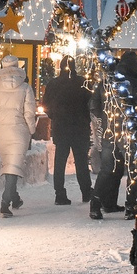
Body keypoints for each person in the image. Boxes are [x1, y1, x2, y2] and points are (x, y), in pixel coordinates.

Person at [89, 51, 137, 219]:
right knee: (133, 170)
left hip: (109, 131)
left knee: (106, 169)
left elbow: (92, 105)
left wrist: (104, 118)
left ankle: (95, 203)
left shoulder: (106, 82)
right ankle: (131, 206)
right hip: (128, 132)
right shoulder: (134, 82)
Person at [0, 55, 36, 218]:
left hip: (1, 131)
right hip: (19, 130)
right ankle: (5, 203)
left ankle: (14, 198)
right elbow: (29, 113)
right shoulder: (26, 87)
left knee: (10, 164)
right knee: (13, 166)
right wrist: (31, 129)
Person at [42, 56, 93, 205]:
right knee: (82, 161)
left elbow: (46, 105)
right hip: (79, 127)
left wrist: (55, 116)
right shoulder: (83, 83)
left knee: (60, 162)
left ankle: (60, 193)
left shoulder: (54, 84)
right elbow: (90, 104)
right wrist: (86, 119)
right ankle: (86, 191)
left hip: (61, 127)